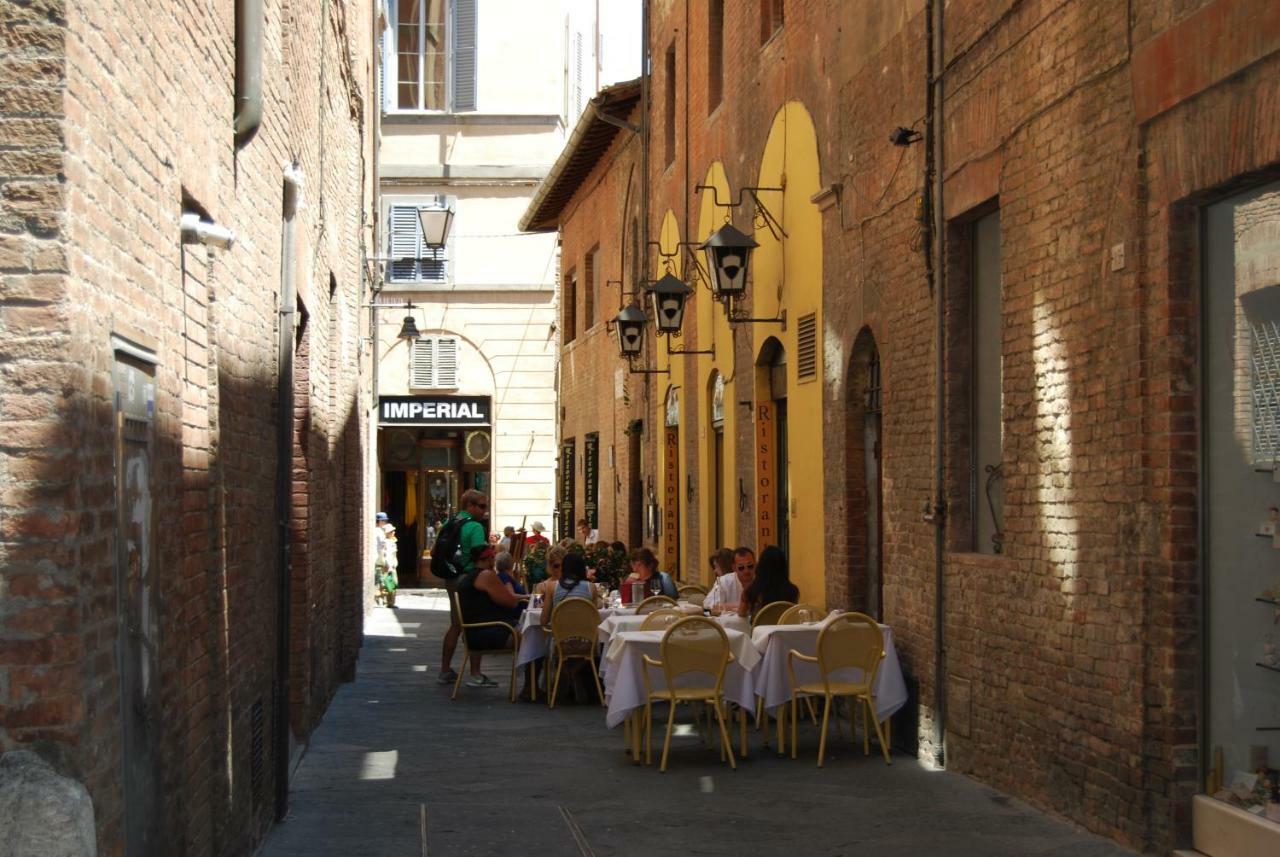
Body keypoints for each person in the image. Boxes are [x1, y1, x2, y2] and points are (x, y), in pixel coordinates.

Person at [438, 489, 490, 686]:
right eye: (482, 506)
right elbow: (481, 555)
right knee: (476, 624)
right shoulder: (475, 527)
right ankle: (476, 673)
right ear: (470, 505)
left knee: (455, 624)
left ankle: (444, 670)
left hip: (451, 579)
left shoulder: (450, 523)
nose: (485, 511)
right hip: (469, 579)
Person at [454, 545, 523, 688]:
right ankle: (532, 687)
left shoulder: (468, 577)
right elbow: (511, 602)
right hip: (488, 633)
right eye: (493, 557)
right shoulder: (486, 575)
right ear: (490, 559)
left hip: (472, 634)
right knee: (533, 636)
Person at [738, 545, 798, 618]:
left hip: (759, 628)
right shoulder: (793, 591)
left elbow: (741, 614)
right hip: (783, 628)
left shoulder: (751, 591)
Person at [705, 546, 754, 615]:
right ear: (734, 568)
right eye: (741, 568)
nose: (746, 571)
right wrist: (739, 606)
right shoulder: (723, 581)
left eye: (750, 566)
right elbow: (708, 607)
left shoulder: (762, 581)